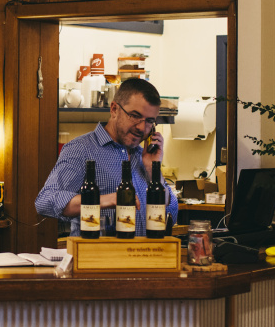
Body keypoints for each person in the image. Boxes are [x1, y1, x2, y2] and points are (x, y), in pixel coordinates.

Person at [36, 78, 179, 237]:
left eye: (149, 121)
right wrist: (107, 200)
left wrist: (154, 171)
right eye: (134, 116)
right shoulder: (81, 149)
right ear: (114, 109)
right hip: (99, 259)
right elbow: (45, 201)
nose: (141, 127)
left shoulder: (145, 157)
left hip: (142, 257)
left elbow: (171, 213)